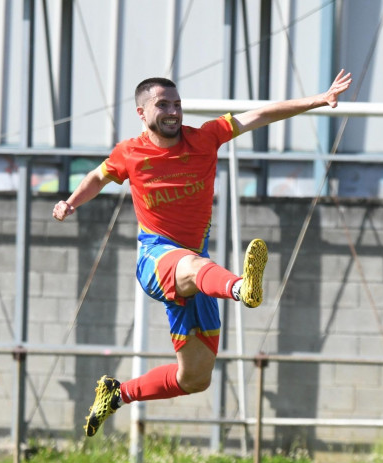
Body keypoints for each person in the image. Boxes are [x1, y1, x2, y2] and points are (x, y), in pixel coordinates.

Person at [53, 70, 353, 437]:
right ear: (141, 112)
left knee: (194, 377)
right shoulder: (129, 153)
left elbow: (260, 114)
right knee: (194, 265)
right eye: (163, 104)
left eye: (177, 104)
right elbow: (99, 176)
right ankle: (243, 288)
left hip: (197, 269)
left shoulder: (206, 137)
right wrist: (70, 203)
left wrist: (319, 99)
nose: (173, 112)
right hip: (157, 256)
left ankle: (117, 394)